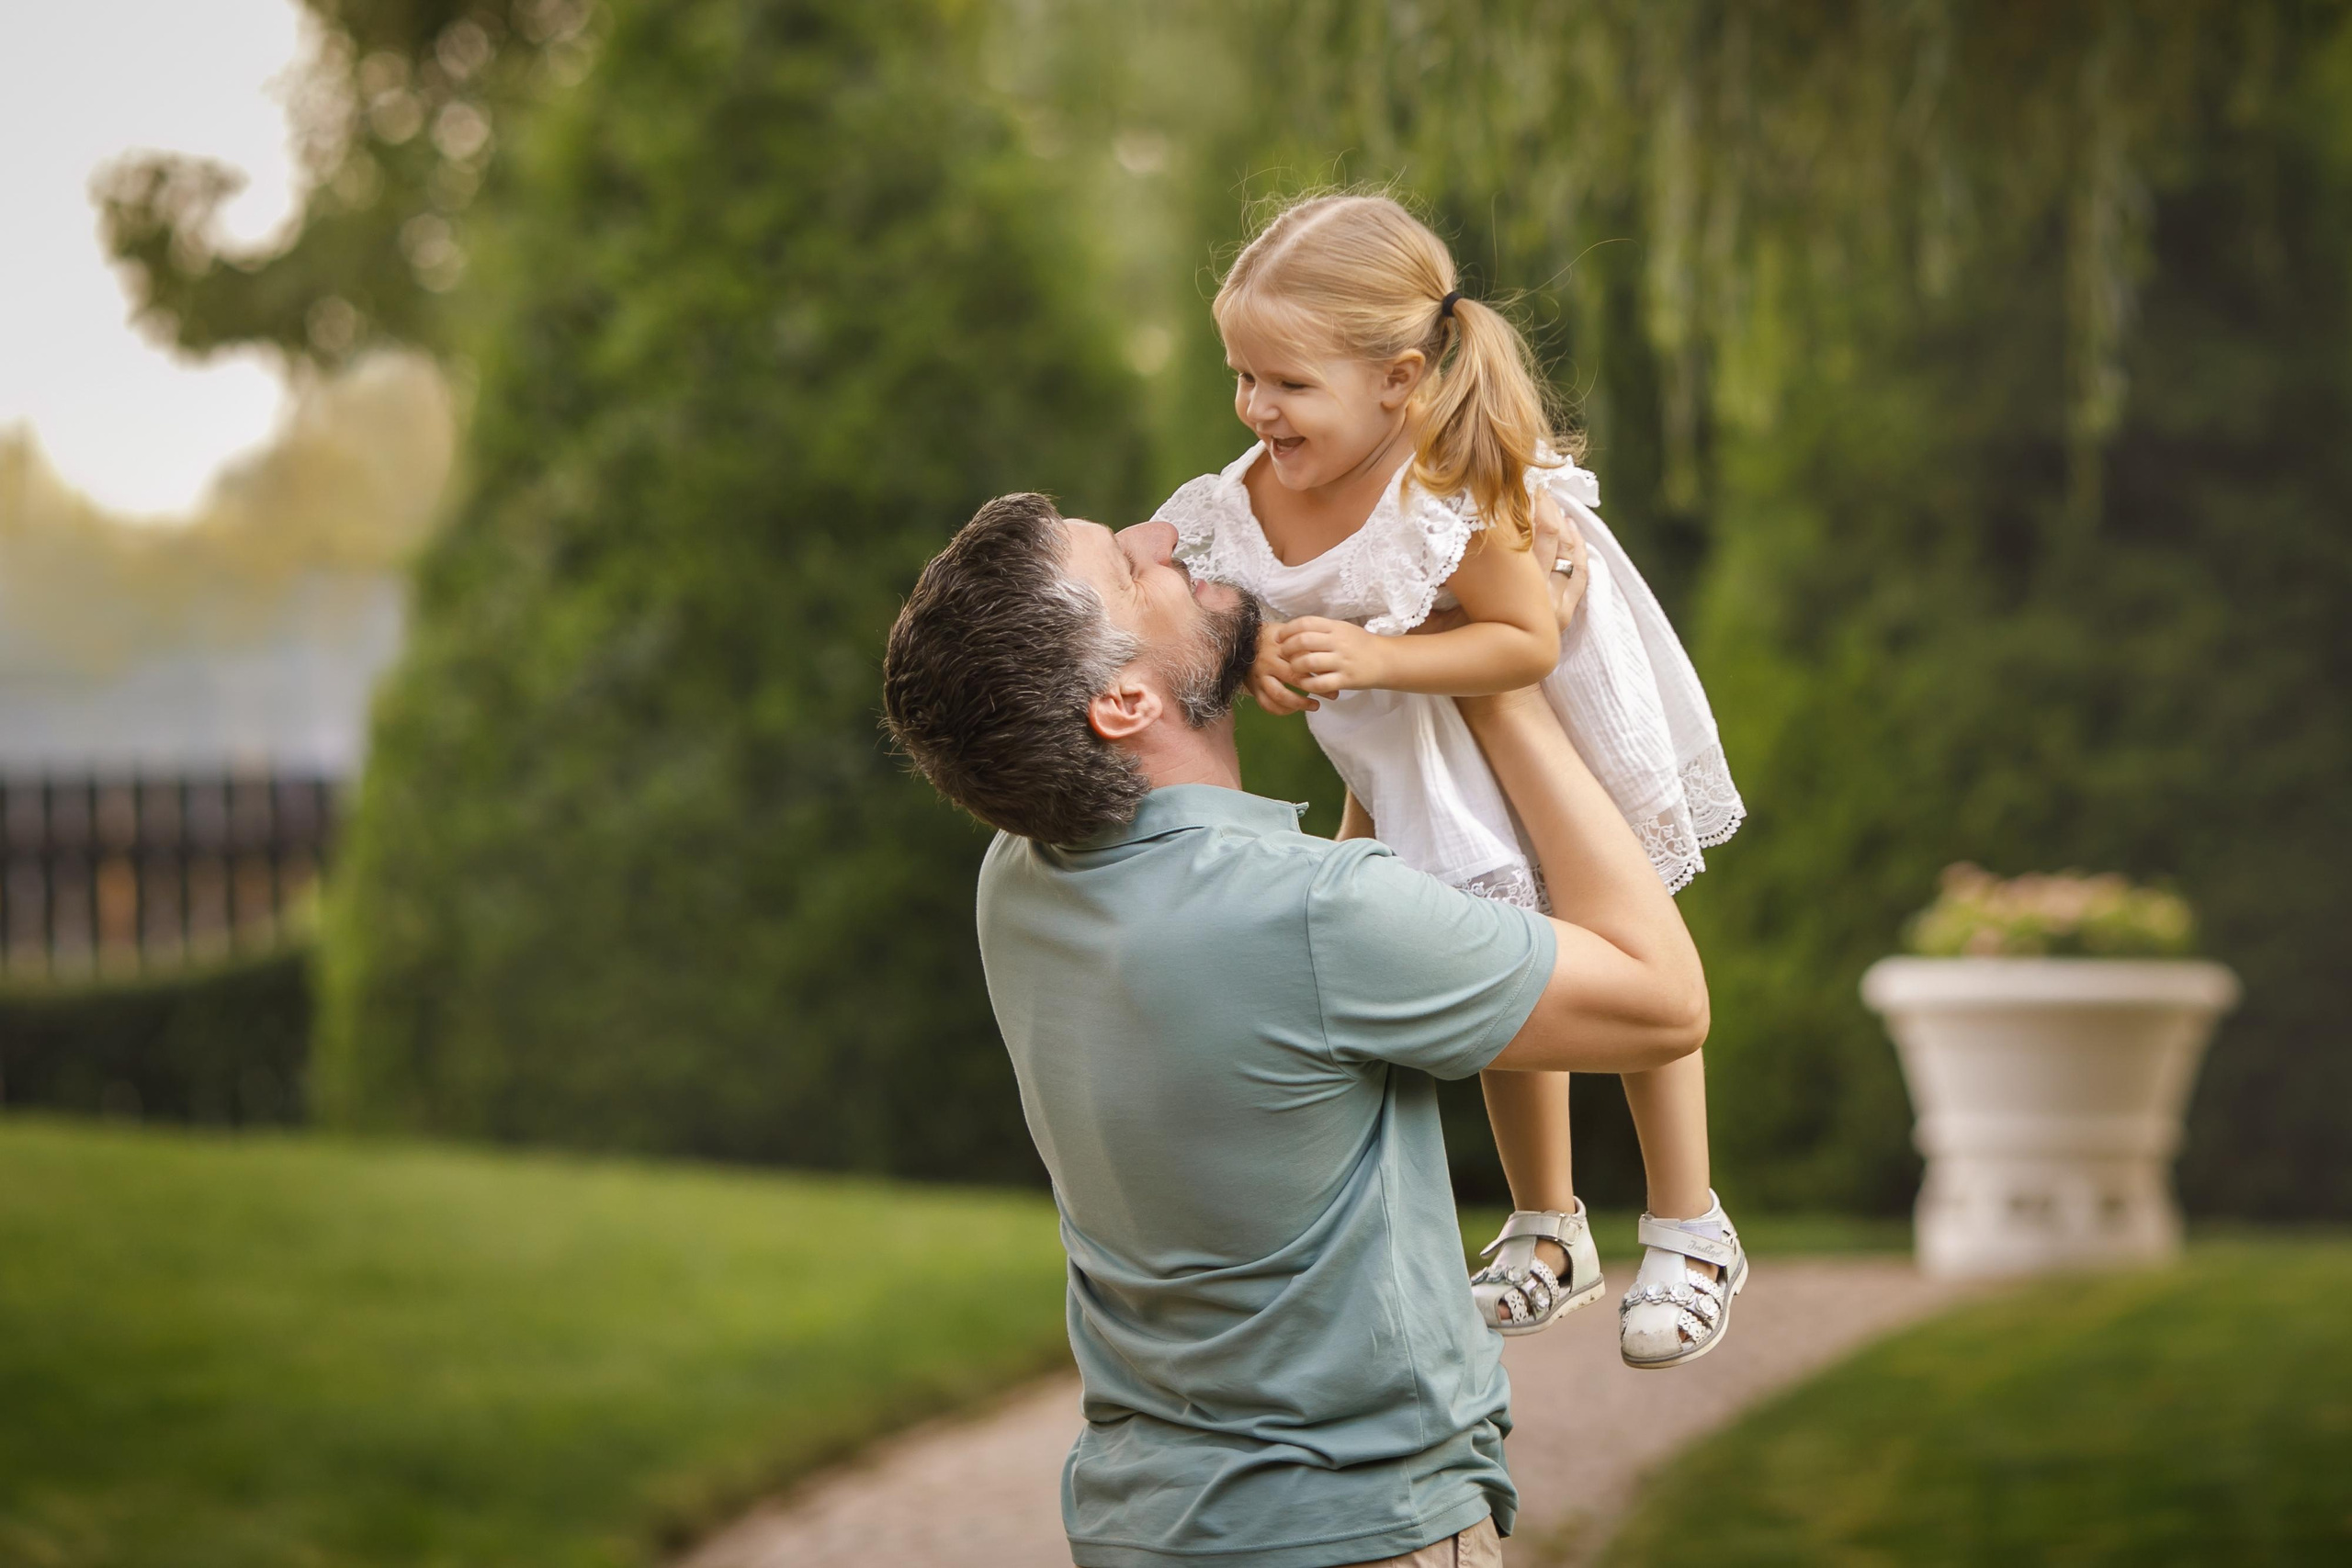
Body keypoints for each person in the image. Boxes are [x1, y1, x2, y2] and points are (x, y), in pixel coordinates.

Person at [881, 492, 1709, 1568]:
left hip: (1149, 1527)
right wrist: (1495, 677)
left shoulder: (1022, 882)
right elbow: (1662, 1000)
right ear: (1125, 701)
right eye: (1129, 573)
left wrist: (1389, 710)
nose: (1162, 538)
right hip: (1354, 1532)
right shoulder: (1306, 919)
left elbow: (1342, 945)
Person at [1149, 192, 1747, 1362]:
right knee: (1506, 977)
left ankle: (1690, 1223)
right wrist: (1262, 648)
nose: (1255, 408)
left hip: (1548, 735)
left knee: (1628, 965)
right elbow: (1221, 600)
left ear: (1397, 376)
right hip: (1417, 753)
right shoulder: (1251, 497)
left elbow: (1524, 643)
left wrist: (1373, 654)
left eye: (1286, 383)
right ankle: (1548, 1228)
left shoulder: (1451, 486)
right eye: (1241, 375)